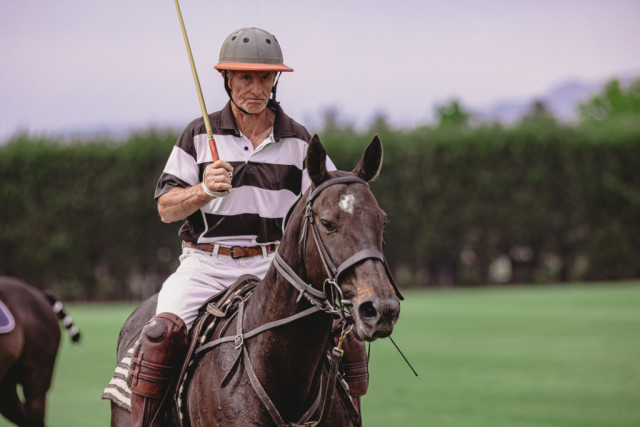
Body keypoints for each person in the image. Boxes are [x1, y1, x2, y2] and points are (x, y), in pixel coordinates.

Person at [126, 27, 339, 426]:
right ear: (226, 78)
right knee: (159, 336)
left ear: (275, 81)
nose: (255, 89)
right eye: (245, 78)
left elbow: (330, 199)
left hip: (275, 268)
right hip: (206, 265)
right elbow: (165, 208)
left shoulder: (299, 140)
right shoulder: (198, 134)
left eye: (264, 78)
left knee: (343, 332)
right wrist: (203, 190)